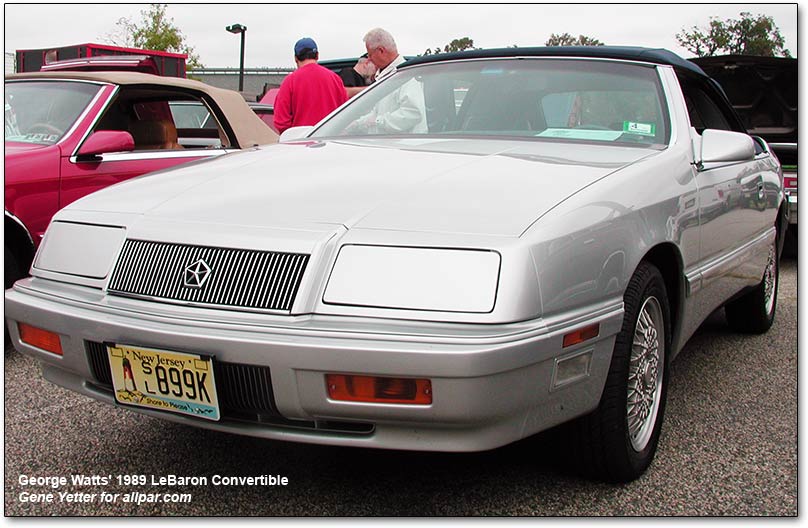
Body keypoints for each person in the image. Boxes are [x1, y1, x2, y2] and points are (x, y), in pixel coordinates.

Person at [348, 28, 426, 134]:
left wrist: (379, 122)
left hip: (406, 146)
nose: (369, 59)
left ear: (381, 50)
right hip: (389, 145)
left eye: (370, 54)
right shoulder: (386, 76)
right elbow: (376, 113)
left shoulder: (407, 77)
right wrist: (356, 124)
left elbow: (413, 113)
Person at [273, 37, 348, 134]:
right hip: (330, 141)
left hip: (301, 143)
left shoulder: (290, 81)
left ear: (296, 58)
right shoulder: (335, 79)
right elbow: (345, 114)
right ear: (317, 55)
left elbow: (281, 121)